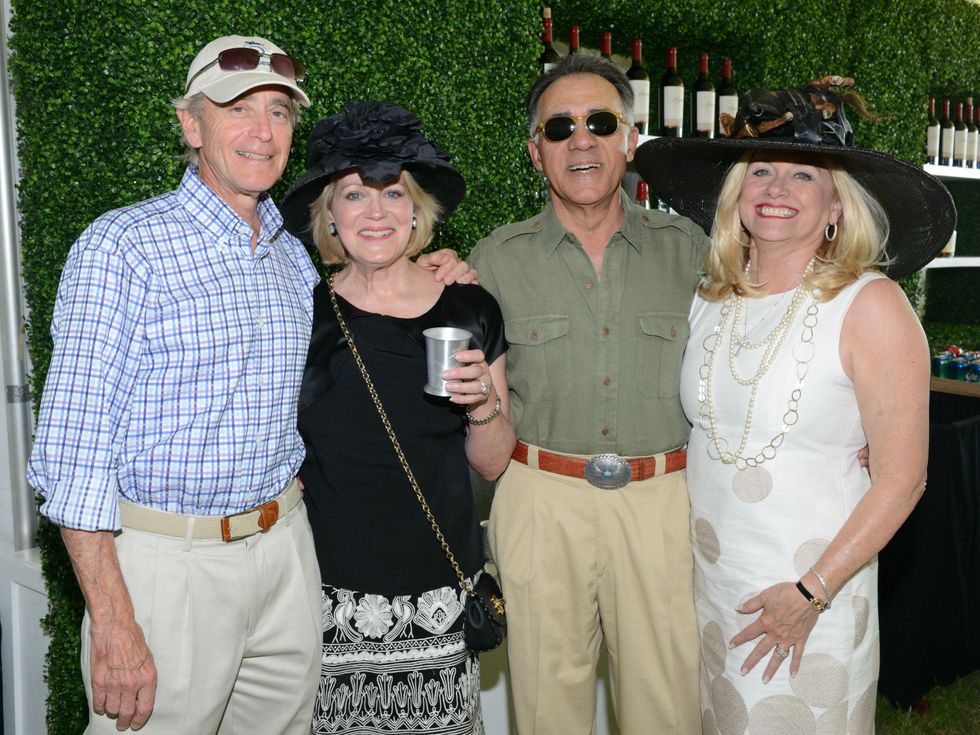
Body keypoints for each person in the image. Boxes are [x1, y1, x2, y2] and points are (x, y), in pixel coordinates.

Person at [27, 37, 470, 734]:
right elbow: (73, 454)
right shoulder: (123, 247)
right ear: (191, 124)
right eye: (237, 108)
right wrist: (112, 619)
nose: (263, 132)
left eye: (280, 112)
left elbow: (370, 308)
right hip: (171, 567)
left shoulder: (291, 259)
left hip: (285, 554)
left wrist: (439, 271)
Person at [634, 77, 956, 732]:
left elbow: (902, 477)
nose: (777, 190)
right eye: (762, 171)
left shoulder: (871, 306)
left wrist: (812, 591)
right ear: (736, 193)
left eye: (804, 175)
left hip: (815, 598)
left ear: (837, 205)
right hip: (716, 591)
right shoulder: (710, 298)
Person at [468, 53, 709, 734]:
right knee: (546, 712)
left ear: (629, 141)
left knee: (668, 712)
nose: (582, 139)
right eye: (560, 127)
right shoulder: (494, 260)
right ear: (535, 152)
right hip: (541, 501)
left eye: (601, 122)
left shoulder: (689, 250)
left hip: (664, 505)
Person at [279, 101, 516, 735]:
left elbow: (493, 462)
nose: (376, 212)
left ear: (417, 209)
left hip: (437, 592)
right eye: (355, 196)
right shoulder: (301, 314)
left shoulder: (471, 308)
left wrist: (482, 405)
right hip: (327, 595)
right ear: (330, 215)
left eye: (393, 193)